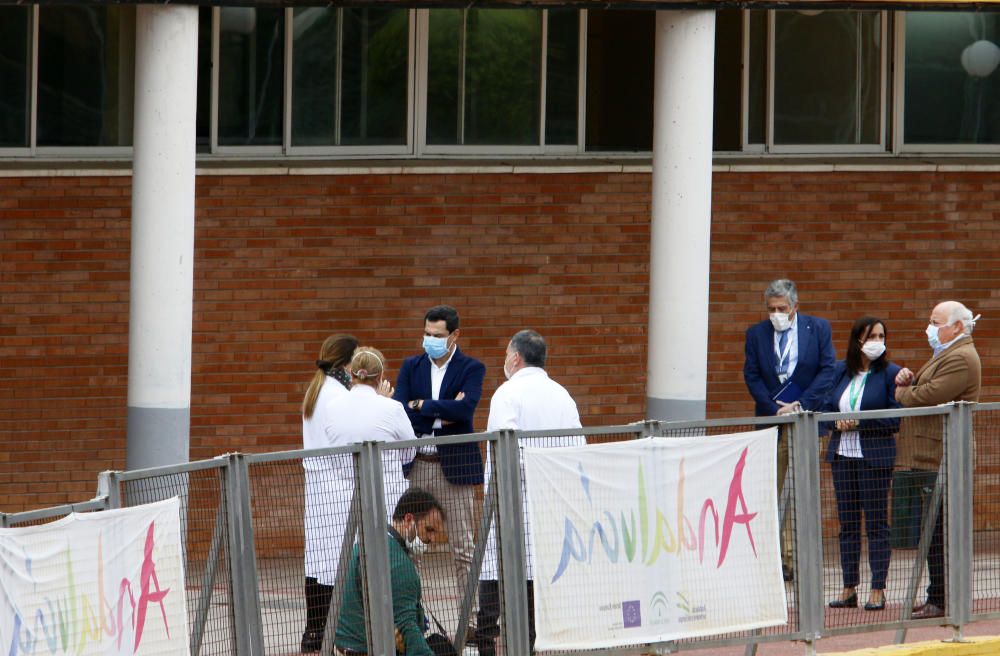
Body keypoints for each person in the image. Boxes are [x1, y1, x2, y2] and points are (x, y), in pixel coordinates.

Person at [476, 330, 582, 656]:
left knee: (494, 590)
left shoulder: (507, 394)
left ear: (516, 358)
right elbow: (578, 448)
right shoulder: (563, 395)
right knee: (535, 591)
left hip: (511, 504)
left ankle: (488, 648)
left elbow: (505, 449)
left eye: (507, 353)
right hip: (551, 505)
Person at [393, 305, 486, 637]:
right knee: (412, 545)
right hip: (418, 465)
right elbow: (402, 409)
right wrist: (433, 411)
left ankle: (472, 621)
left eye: (437, 336)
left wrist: (424, 406)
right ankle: (413, 619)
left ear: (454, 335)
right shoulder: (411, 366)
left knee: (463, 547)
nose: (429, 340)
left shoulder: (471, 368)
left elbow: (464, 409)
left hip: (454, 468)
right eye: (427, 334)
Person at [743, 279, 836, 580]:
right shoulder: (756, 334)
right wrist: (774, 408)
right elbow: (753, 375)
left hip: (804, 420)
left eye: (782, 308)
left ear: (795, 306)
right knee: (774, 489)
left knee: (800, 490)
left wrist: (800, 403)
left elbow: (827, 370)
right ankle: (783, 557)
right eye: (771, 309)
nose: (776, 314)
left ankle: (799, 555)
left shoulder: (818, 328)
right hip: (772, 421)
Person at [894, 301, 982, 620]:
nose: (931, 328)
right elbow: (923, 384)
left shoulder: (961, 357)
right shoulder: (946, 352)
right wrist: (910, 379)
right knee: (932, 531)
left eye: (937, 322)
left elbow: (928, 395)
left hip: (944, 455)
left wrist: (903, 391)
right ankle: (937, 594)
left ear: (958, 326)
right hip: (930, 455)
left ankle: (943, 598)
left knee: (941, 532)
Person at [821, 317, 901, 612]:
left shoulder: (890, 373)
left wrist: (859, 421)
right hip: (842, 456)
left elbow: (895, 418)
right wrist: (835, 421)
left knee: (877, 524)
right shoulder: (841, 371)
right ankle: (848, 587)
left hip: (874, 458)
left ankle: (878, 589)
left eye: (881, 335)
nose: (877, 341)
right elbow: (825, 406)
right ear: (858, 340)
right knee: (848, 525)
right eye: (871, 336)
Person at [334, 487, 448, 656]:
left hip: (346, 646)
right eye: (429, 530)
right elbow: (408, 630)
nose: (431, 539)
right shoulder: (399, 564)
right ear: (409, 519)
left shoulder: (372, 541)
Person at [301, 333, 358, 653]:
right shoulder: (338, 396)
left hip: (318, 485)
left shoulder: (317, 390)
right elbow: (342, 446)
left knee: (318, 558)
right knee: (338, 560)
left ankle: (314, 629)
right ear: (348, 362)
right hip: (336, 485)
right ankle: (331, 629)